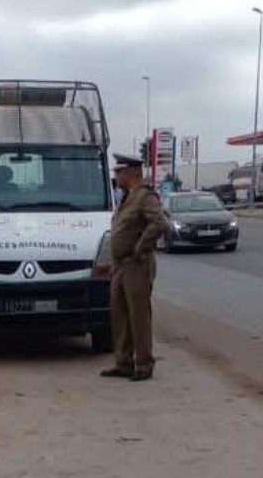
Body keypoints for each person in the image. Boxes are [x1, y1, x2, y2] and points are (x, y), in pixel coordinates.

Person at [101, 154, 167, 382]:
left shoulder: (144, 196)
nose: (116, 176)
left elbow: (159, 223)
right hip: (120, 265)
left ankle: (144, 363)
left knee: (138, 316)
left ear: (132, 173)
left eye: (119, 172)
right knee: (119, 314)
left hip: (137, 264)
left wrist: (141, 247)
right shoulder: (125, 197)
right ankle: (124, 362)